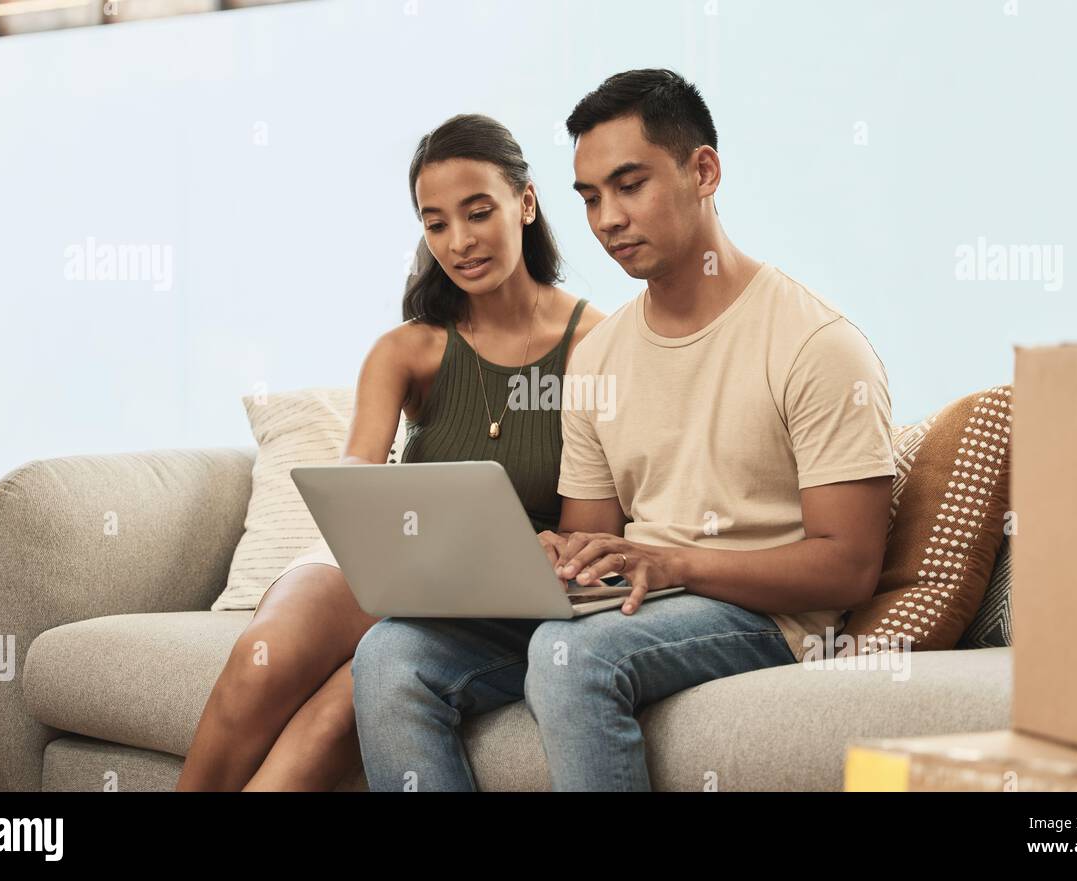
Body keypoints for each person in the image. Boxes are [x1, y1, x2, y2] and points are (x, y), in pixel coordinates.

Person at [350, 69, 897, 791]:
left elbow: (848, 564)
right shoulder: (601, 356)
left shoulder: (815, 343)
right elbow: (592, 536)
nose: (607, 217)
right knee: (391, 656)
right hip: (636, 600)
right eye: (590, 197)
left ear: (703, 171)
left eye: (629, 185)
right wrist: (547, 553)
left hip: (761, 616)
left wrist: (676, 563)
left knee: (573, 656)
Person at [175, 113, 603, 791]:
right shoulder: (408, 349)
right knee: (263, 657)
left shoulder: (593, 344)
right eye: (436, 223)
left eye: (478, 211)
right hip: (393, 565)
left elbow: (593, 527)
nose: (458, 242)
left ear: (525, 203)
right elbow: (358, 479)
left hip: (498, 595)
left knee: (335, 716)